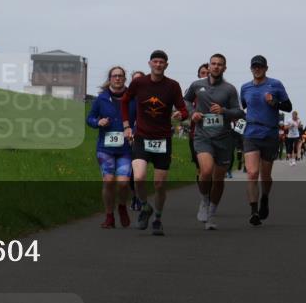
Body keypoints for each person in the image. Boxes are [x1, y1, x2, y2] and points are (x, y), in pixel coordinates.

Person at [122, 50, 188, 236]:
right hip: (142, 137)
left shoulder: (172, 86)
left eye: (162, 62)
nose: (158, 65)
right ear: (149, 63)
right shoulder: (139, 83)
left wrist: (180, 115)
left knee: (159, 184)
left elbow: (184, 110)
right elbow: (124, 102)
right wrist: (127, 126)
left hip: (162, 140)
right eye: (155, 61)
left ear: (166, 65)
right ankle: (145, 206)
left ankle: (157, 218)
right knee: (139, 177)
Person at [183, 53, 244, 231]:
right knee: (206, 170)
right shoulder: (197, 85)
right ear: (208, 67)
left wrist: (224, 111)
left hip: (224, 139)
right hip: (203, 136)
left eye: (220, 64)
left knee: (218, 179)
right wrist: (192, 113)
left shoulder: (230, 89)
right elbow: (185, 100)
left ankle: (211, 213)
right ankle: (204, 200)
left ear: (224, 68)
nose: (216, 67)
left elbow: (239, 112)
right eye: (213, 64)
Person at [239, 55, 292, 227]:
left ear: (266, 68)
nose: (257, 69)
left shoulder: (275, 84)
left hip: (270, 133)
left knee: (265, 175)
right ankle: (254, 211)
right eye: (254, 66)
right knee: (252, 173)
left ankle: (265, 198)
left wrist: (274, 102)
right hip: (251, 132)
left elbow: (288, 106)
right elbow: (244, 106)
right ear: (251, 68)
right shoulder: (245, 88)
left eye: (260, 66)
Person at [86, 66, 134, 228]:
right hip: (105, 147)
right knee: (108, 181)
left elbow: (140, 119)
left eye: (120, 76)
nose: (118, 78)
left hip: (126, 148)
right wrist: (97, 122)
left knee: (123, 183)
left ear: (124, 78)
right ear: (110, 78)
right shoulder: (101, 99)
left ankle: (121, 207)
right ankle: (109, 216)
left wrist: (133, 131)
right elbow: (90, 118)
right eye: (114, 76)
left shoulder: (132, 98)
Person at [128, 70, 146, 211]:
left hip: (145, 137)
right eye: (135, 80)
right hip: (130, 137)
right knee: (130, 172)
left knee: (138, 172)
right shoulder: (128, 99)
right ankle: (135, 196)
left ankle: (139, 198)